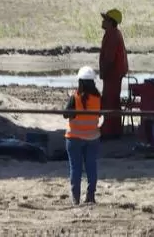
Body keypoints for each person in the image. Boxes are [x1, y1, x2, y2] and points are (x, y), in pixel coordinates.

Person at [63, 66, 102, 205]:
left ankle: (75, 198)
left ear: (80, 82)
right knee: (91, 167)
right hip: (92, 138)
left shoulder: (75, 98)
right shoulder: (98, 98)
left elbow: (65, 114)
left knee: (75, 168)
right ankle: (90, 196)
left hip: (74, 138)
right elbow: (99, 113)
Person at [99, 8, 129, 139]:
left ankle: (110, 130)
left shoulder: (112, 35)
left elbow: (110, 58)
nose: (103, 21)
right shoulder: (113, 33)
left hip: (112, 73)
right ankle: (113, 128)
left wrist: (104, 71)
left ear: (111, 22)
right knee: (113, 101)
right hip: (114, 73)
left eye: (105, 19)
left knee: (110, 101)